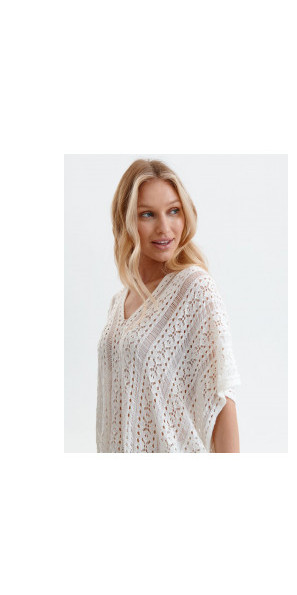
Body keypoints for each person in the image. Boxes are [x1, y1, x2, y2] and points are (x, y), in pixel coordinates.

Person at [96, 159, 241, 453]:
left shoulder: (195, 288)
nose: (164, 228)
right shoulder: (118, 303)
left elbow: (221, 399)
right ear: (126, 221)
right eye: (147, 214)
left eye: (173, 211)